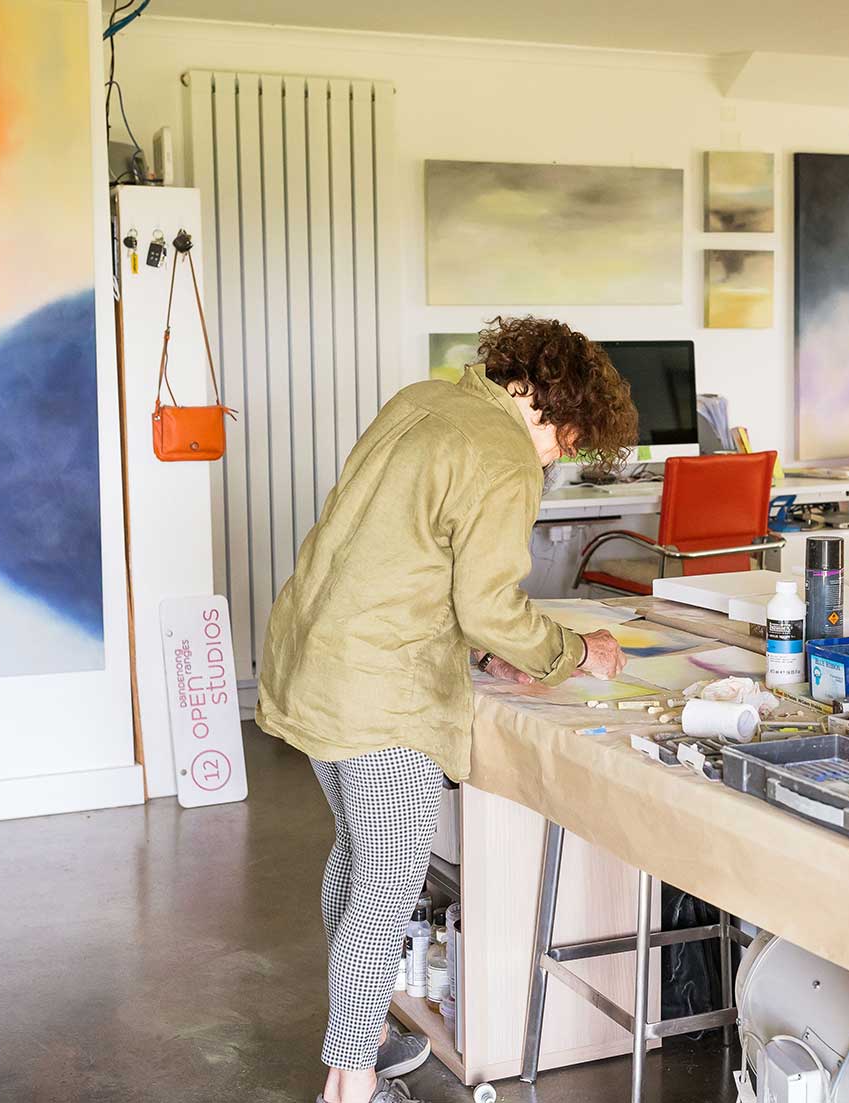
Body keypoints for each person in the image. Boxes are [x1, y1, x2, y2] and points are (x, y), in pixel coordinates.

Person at [258, 316, 640, 1103]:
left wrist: (483, 651)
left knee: (357, 856)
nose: (559, 457)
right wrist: (576, 652)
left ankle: (362, 1034)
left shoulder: (423, 401)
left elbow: (399, 553)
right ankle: (351, 1082)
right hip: (381, 687)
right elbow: (490, 605)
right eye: (569, 442)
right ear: (559, 409)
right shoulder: (505, 454)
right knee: (388, 880)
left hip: (315, 658)